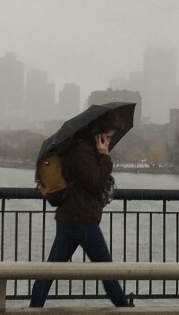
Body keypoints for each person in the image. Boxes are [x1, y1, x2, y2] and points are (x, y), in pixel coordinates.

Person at [28, 116, 131, 308]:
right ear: (98, 134)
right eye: (107, 137)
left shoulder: (81, 149)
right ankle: (126, 310)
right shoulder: (80, 150)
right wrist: (104, 156)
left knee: (49, 272)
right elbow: (94, 181)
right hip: (82, 219)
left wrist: (100, 155)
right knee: (107, 272)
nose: (109, 142)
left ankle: (34, 308)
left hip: (70, 218)